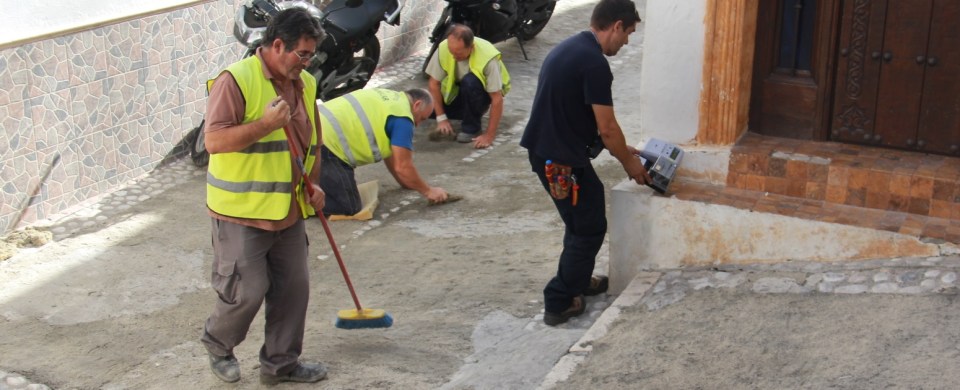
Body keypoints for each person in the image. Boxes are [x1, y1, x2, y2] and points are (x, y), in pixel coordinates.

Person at [199, 7, 329, 385]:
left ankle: (280, 365)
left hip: (287, 209)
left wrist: (314, 184)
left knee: (294, 291)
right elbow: (215, 140)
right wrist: (265, 125)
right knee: (246, 291)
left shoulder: (306, 83)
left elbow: (313, 143)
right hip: (240, 211)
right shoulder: (236, 81)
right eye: (301, 54)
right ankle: (218, 343)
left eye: (310, 56)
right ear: (276, 44)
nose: (306, 63)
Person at [520, 0, 650, 326]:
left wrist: (619, 147)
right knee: (588, 228)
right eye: (629, 33)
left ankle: (578, 280)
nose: (627, 42)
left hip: (550, 151)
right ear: (616, 26)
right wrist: (629, 164)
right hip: (560, 161)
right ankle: (560, 299)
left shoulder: (572, 47)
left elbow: (578, 113)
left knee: (580, 221)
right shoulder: (594, 64)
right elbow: (607, 126)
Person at [317, 88, 449, 215]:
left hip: (310, 126)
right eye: (421, 118)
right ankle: (300, 206)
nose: (417, 124)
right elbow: (403, 167)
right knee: (348, 206)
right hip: (326, 144)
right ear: (417, 104)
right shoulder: (403, 118)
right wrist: (428, 191)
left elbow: (392, 155)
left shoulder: (390, 98)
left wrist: (405, 182)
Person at [426, 24, 511, 149]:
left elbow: (497, 99)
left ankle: (472, 127)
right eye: (451, 52)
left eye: (458, 53)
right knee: (423, 105)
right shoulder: (444, 47)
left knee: (470, 82)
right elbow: (434, 84)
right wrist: (441, 119)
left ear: (471, 48)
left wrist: (489, 136)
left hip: (480, 93)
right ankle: (463, 112)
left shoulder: (488, 57)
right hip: (457, 92)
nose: (454, 56)